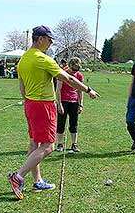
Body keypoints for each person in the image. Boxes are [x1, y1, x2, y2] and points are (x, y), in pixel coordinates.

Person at [7, 25, 100, 200]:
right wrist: (88, 90)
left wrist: (28, 101)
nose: (50, 44)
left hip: (30, 104)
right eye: (49, 40)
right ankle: (18, 177)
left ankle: (38, 181)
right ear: (40, 39)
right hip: (43, 106)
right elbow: (69, 79)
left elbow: (21, 86)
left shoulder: (23, 60)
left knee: (34, 144)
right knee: (48, 146)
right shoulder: (43, 59)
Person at [55, 57, 84, 154]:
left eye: (77, 70)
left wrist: (81, 105)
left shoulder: (79, 75)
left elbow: (80, 90)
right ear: (69, 66)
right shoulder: (62, 74)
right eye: (73, 69)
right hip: (63, 101)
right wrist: (59, 104)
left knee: (74, 123)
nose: (75, 72)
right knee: (61, 123)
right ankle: (59, 144)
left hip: (74, 102)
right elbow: (58, 90)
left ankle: (74, 144)